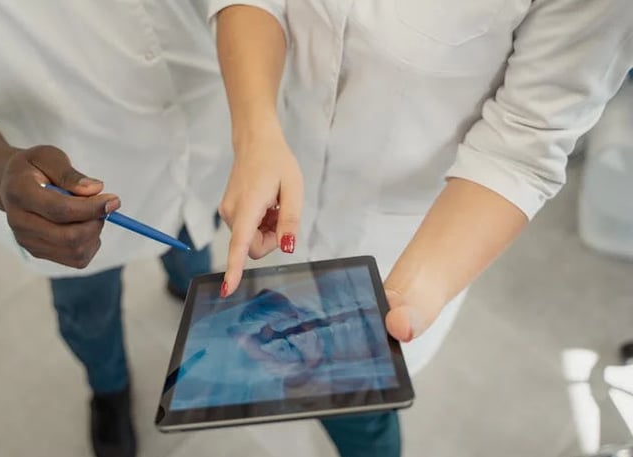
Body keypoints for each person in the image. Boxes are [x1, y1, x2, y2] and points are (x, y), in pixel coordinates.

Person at [207, 1, 633, 456]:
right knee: (295, 367)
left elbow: (524, 144)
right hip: (282, 170)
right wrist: (256, 133)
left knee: (358, 407)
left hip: (414, 240)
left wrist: (412, 294)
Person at [0, 3, 236, 457]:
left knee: (194, 244)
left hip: (205, 128)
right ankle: (109, 388)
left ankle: (185, 287)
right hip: (65, 183)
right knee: (89, 311)